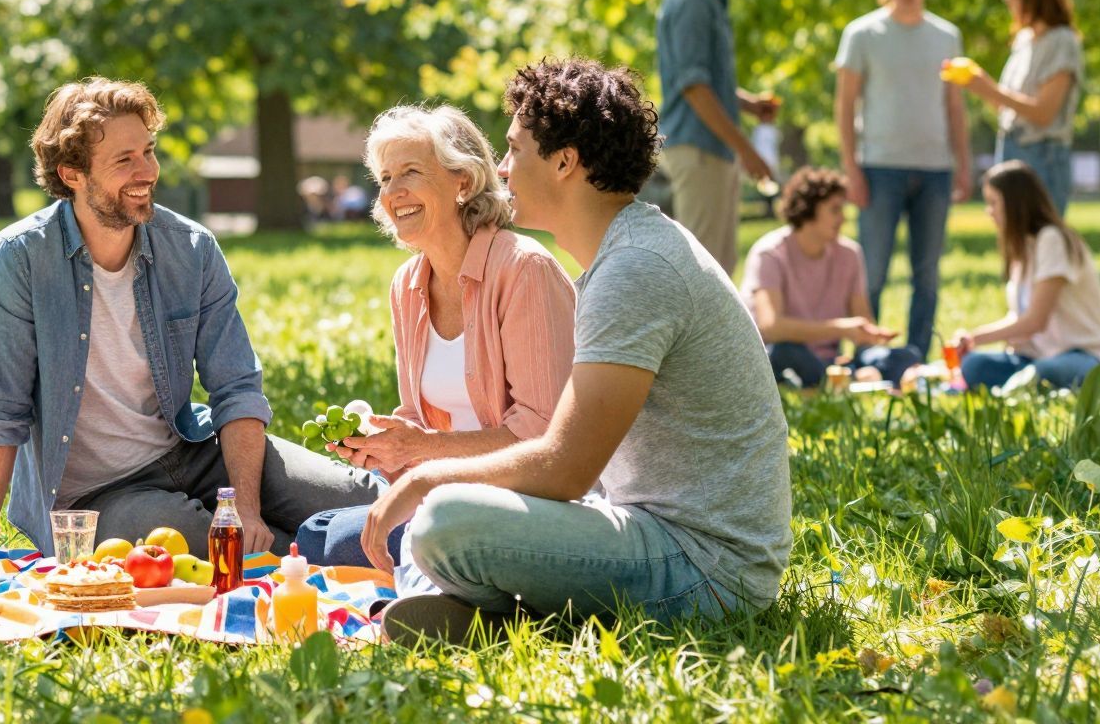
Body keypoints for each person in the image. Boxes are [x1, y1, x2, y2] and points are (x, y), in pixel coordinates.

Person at [364, 59, 790, 642]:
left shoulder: (636, 270)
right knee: (439, 516)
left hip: (708, 569)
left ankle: (507, 616)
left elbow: (564, 468)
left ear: (565, 162)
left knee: (440, 519)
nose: (504, 168)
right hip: (648, 529)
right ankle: (505, 616)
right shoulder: (622, 257)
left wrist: (425, 477)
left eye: (515, 150)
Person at [0, 77, 383, 556]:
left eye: (149, 151)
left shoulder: (191, 247)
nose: (147, 171)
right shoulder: (16, 262)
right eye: (125, 160)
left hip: (196, 451)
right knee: (204, 545)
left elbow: (236, 386)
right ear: (72, 174)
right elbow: (1, 412)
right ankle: (325, 555)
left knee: (368, 503)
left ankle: (351, 545)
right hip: (97, 497)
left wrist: (245, 507)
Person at [295, 105, 576, 569]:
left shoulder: (524, 269)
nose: (393, 193)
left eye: (410, 173)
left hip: (524, 504)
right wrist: (379, 439)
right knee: (315, 531)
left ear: (462, 182)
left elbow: (544, 436)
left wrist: (421, 448)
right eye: (385, 178)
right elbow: (420, 423)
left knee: (326, 541)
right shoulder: (408, 283)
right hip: (444, 494)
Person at [833, 0, 971, 374]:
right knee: (871, 271)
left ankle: (916, 360)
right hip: (878, 167)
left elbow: (954, 107)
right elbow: (845, 105)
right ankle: (864, 360)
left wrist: (963, 163)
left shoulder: (947, 36)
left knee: (926, 273)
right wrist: (851, 168)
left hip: (935, 168)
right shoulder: (862, 34)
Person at [656, 0, 781, 272]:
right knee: (702, 268)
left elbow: (705, 81)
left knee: (720, 266)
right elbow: (693, 88)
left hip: (711, 147)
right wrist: (746, 149)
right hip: (699, 146)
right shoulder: (693, 0)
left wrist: (749, 104)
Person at [951, 161, 1100, 391]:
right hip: (1032, 357)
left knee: (1042, 373)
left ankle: (1017, 389)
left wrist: (976, 339)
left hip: (1080, 356)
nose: (989, 211)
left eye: (994, 203)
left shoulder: (1052, 239)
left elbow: (1036, 321)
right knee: (974, 365)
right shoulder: (1023, 249)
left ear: (1014, 203)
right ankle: (1018, 387)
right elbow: (1019, 317)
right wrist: (972, 339)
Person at [738, 167, 898, 388]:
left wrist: (871, 336)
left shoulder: (850, 254)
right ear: (808, 208)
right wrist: (841, 328)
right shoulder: (769, 253)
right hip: (781, 356)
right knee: (785, 353)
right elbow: (770, 327)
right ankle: (848, 379)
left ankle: (848, 377)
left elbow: (862, 320)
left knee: (905, 356)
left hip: (831, 362)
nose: (843, 218)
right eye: (835, 210)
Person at [956, 0, 1083, 215]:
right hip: (1010, 148)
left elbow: (1044, 113)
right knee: (1015, 242)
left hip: (1042, 156)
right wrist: (977, 85)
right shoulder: (1024, 41)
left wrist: (988, 88)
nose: (1008, 0)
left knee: (1041, 240)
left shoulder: (1061, 41)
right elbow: (1009, 109)